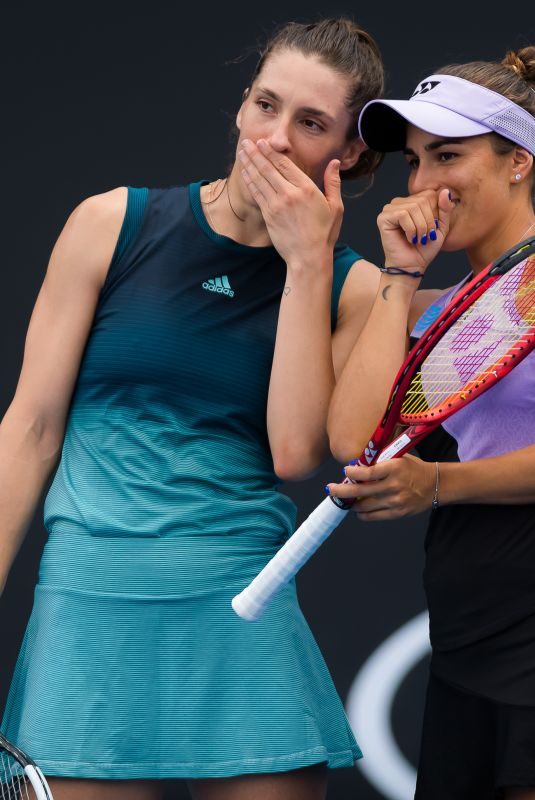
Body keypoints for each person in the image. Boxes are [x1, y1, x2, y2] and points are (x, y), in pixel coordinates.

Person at [0, 18, 385, 800]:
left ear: (347, 155)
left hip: (240, 614)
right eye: (265, 105)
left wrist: (308, 263)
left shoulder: (353, 288)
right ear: (241, 105)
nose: (274, 139)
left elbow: (291, 455)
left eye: (309, 124)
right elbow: (31, 429)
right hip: (90, 612)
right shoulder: (109, 224)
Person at [325, 47, 535, 799]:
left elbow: (428, 478)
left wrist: (437, 483)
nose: (423, 185)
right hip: (465, 622)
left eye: (446, 155)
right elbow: (351, 441)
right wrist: (402, 273)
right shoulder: (435, 305)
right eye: (414, 162)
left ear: (516, 160)